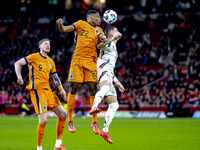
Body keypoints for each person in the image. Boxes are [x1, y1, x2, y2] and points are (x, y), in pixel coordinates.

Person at [56, 10, 106, 134]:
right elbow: (65, 29)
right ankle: (70, 120)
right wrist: (60, 25)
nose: (100, 20)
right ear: (92, 17)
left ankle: (94, 122)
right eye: (98, 17)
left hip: (91, 61)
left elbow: (101, 42)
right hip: (77, 60)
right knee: (73, 89)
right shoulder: (80, 24)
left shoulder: (99, 30)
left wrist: (104, 38)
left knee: (93, 90)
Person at [14, 38, 67, 150]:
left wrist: (61, 89)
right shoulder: (34, 57)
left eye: (49, 44)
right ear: (40, 46)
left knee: (63, 114)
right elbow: (17, 63)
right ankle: (39, 148)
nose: (48, 45)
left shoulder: (50, 61)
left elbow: (55, 77)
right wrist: (19, 77)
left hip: (48, 91)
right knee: (43, 120)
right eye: (45, 44)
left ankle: (58, 145)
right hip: (37, 90)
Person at [89, 26, 125, 144]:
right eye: (116, 30)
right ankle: (94, 106)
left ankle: (104, 130)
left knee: (115, 105)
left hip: (109, 73)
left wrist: (117, 82)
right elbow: (99, 46)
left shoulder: (114, 47)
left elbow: (111, 68)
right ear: (111, 34)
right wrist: (113, 38)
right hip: (101, 69)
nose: (118, 32)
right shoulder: (107, 42)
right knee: (104, 88)